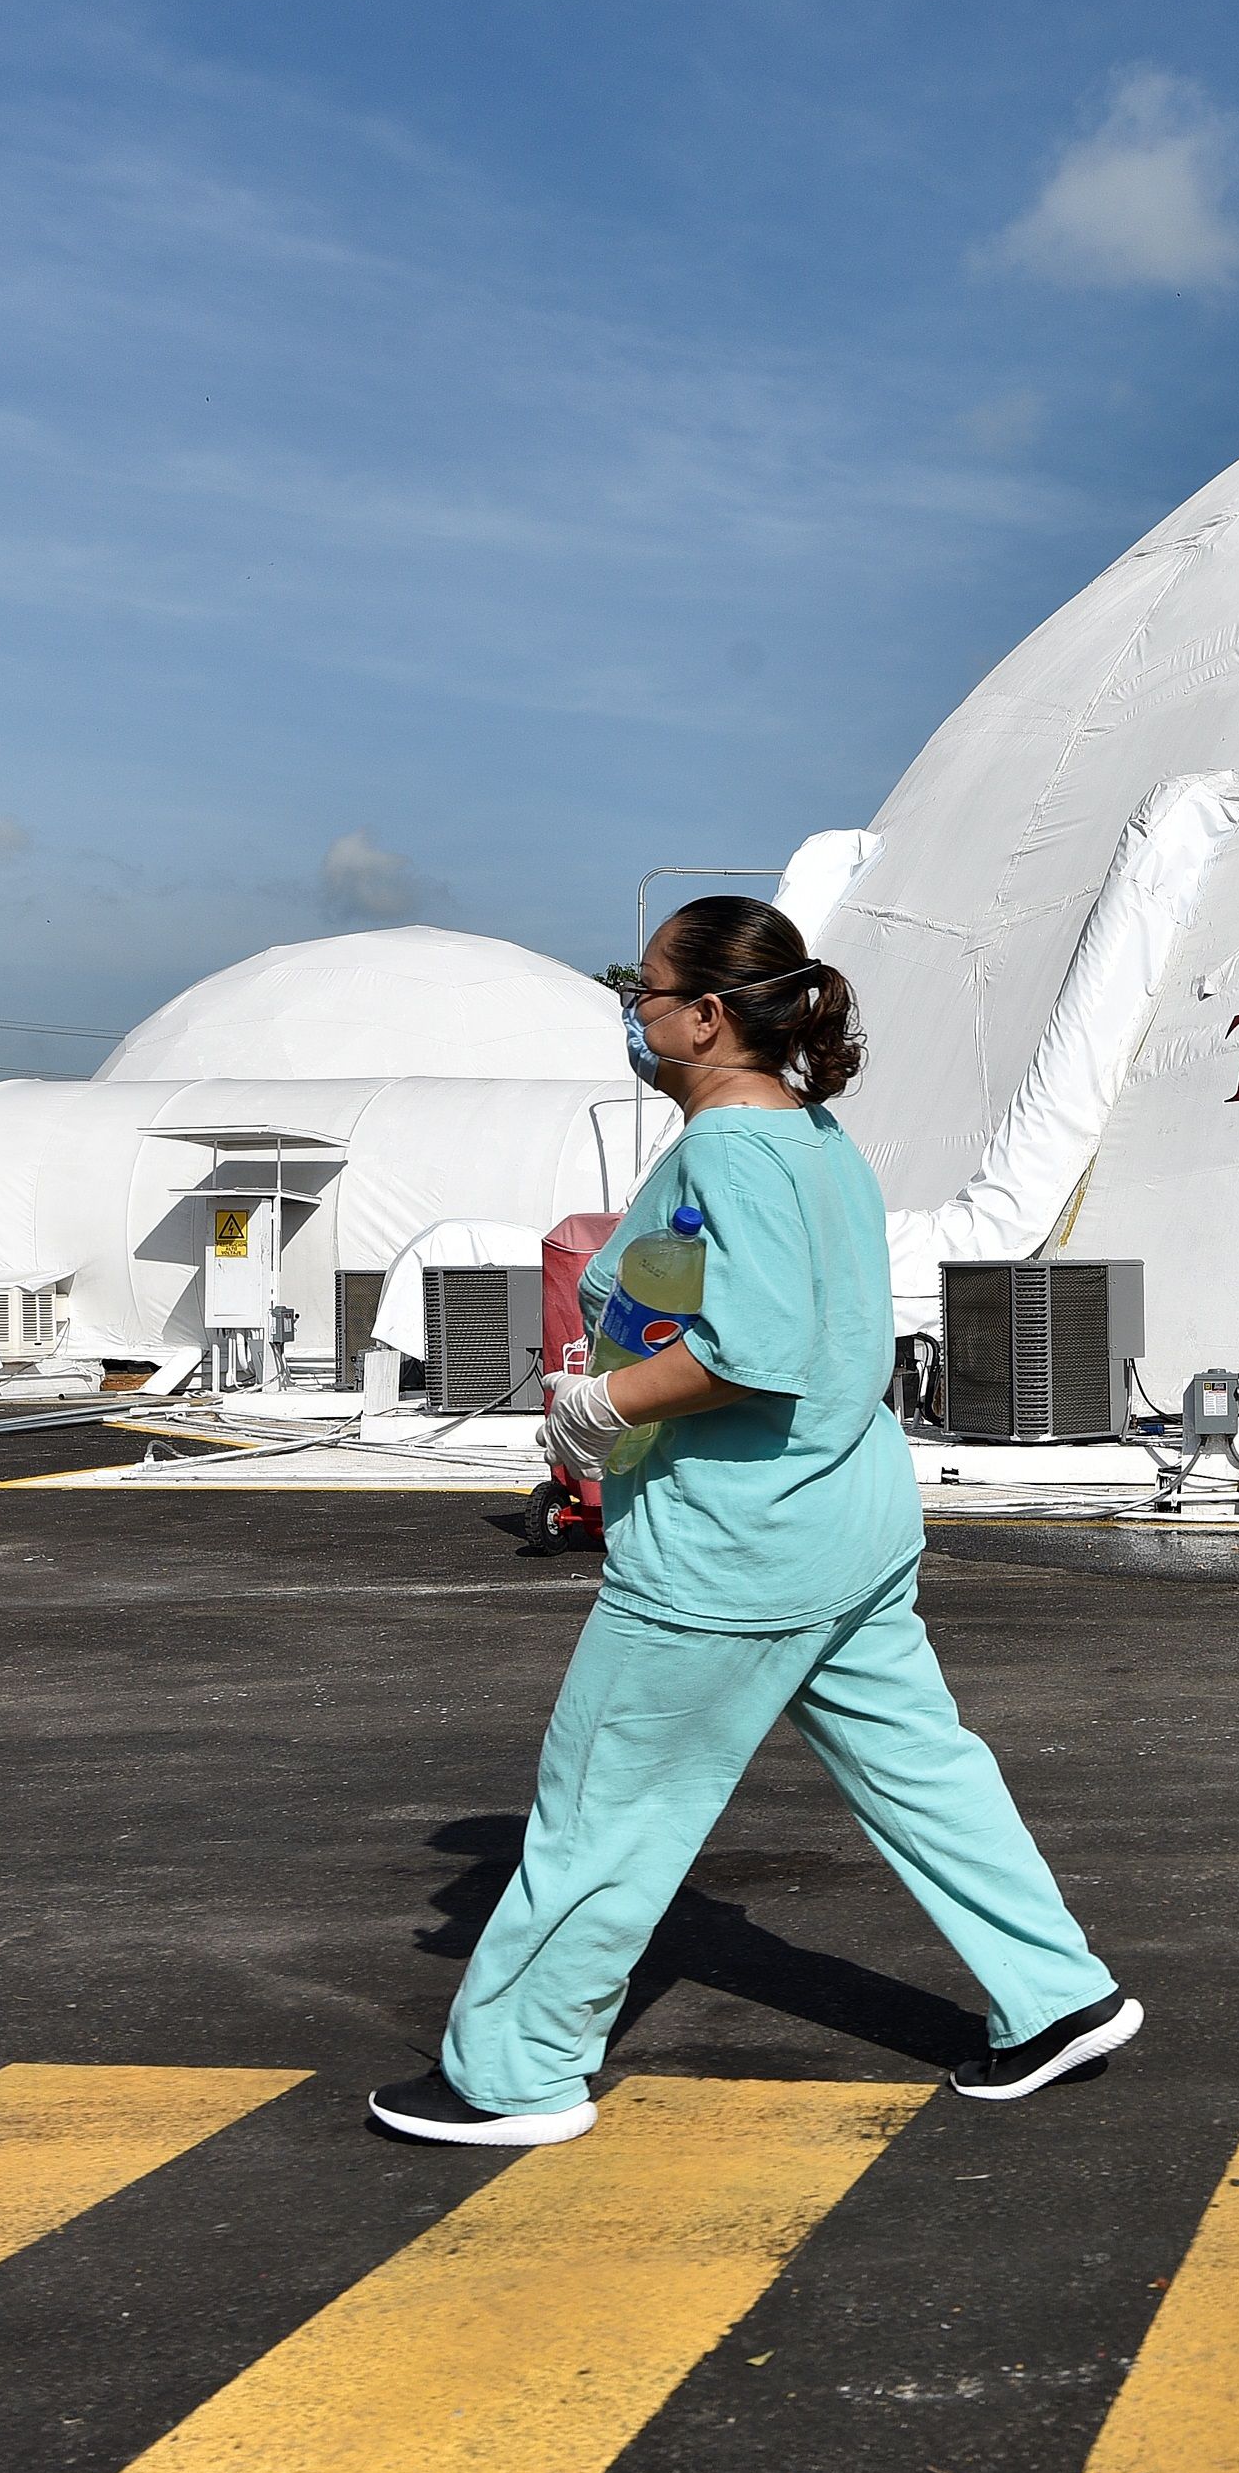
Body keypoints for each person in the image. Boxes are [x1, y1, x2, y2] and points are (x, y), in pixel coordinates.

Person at [369, 896, 1138, 2145]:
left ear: (708, 1016)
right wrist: (621, 1374)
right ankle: (1054, 1996)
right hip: (845, 1515)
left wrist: (596, 1407)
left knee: (606, 1803)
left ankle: (511, 2075)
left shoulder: (725, 1153)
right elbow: (738, 1313)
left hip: (732, 1543)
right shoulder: (816, 1142)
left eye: (649, 995)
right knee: (921, 1770)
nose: (636, 1015)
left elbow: (756, 1348)